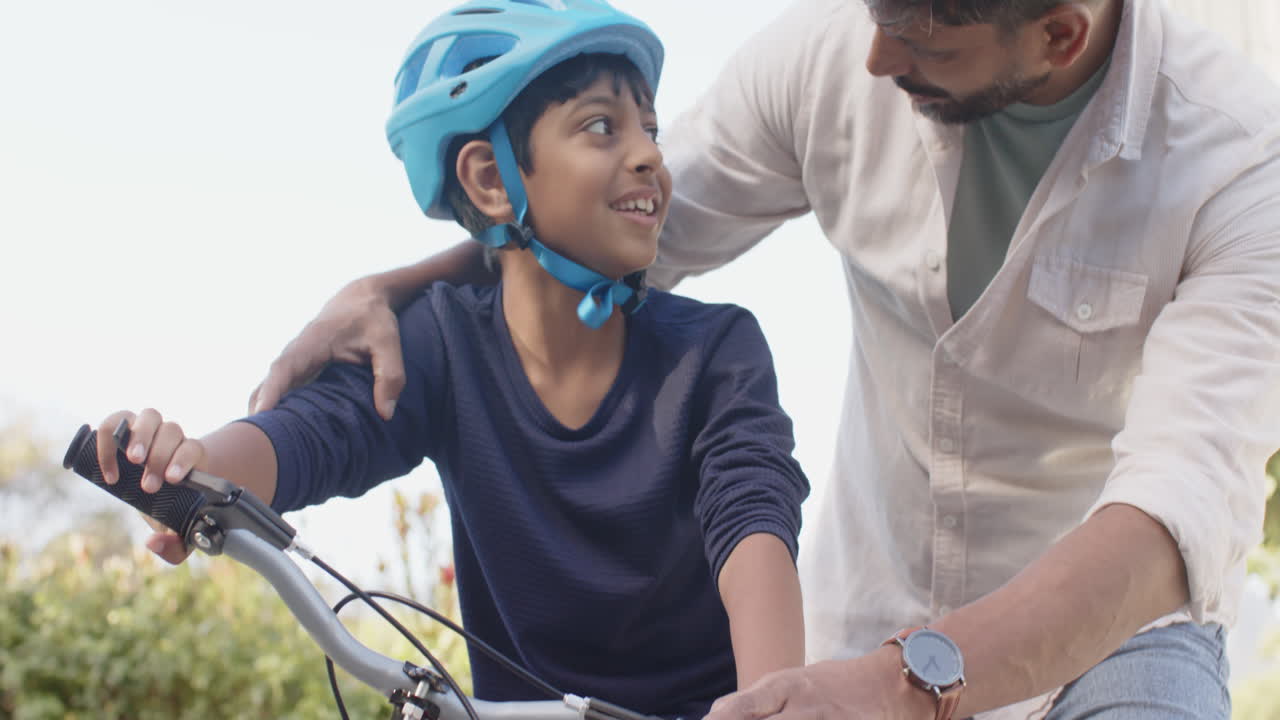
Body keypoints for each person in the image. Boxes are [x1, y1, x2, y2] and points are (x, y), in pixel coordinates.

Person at [248, 0, 1280, 717]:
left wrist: (897, 688)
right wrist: (402, 287)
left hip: (1104, 638)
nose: (873, 59)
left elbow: (1168, 517)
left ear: (1057, 36)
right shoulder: (836, 48)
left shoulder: (1238, 163)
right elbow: (632, 221)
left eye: (919, 36)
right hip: (866, 607)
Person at [95, 2, 811, 717]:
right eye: (602, 125)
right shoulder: (440, 347)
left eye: (650, 128)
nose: (651, 153)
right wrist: (186, 467)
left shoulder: (716, 352)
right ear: (491, 181)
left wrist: (771, 702)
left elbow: (750, 520)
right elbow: (315, 435)